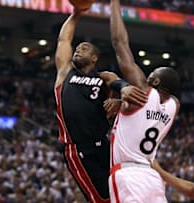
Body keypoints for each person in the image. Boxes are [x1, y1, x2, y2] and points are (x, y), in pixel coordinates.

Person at [53, 8, 147, 203]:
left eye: (84, 48)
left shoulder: (103, 77)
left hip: (104, 144)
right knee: (101, 199)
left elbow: (118, 83)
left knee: (119, 194)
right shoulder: (65, 73)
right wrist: (76, 14)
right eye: (78, 48)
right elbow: (64, 41)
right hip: (79, 149)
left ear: (95, 58)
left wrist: (123, 92)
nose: (78, 49)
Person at [98, 0, 181, 202]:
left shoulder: (144, 91)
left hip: (129, 176)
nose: (147, 76)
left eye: (151, 74)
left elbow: (120, 43)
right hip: (153, 178)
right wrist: (122, 104)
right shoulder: (174, 105)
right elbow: (143, 114)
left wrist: (114, 4)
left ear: (156, 80)